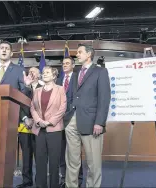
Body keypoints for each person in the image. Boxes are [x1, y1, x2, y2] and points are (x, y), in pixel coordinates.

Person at [64, 44, 111, 188]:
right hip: (72, 121)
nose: (76, 55)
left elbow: (104, 98)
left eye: (79, 52)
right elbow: (72, 96)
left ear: (89, 54)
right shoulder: (76, 72)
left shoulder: (100, 71)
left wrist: (100, 122)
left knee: (93, 163)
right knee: (72, 161)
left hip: (91, 123)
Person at [0, 40, 33, 143]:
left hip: (11, 116)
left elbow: (23, 95)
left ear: (11, 53)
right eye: (2, 48)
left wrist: (27, 86)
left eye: (7, 49)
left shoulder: (18, 70)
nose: (4, 50)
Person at [30, 66, 67, 188]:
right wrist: (38, 120)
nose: (44, 74)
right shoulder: (37, 91)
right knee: (40, 161)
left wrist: (50, 122)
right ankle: (40, 185)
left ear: (54, 75)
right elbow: (32, 108)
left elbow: (63, 107)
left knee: (54, 161)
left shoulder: (60, 89)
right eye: (43, 72)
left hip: (54, 129)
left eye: (47, 72)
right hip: (39, 129)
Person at [56, 57, 83, 188]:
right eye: (63, 64)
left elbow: (79, 97)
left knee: (74, 152)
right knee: (62, 150)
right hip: (59, 119)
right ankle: (64, 179)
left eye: (67, 63)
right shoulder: (58, 80)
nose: (65, 65)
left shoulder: (79, 78)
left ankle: (78, 179)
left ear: (73, 65)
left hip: (73, 118)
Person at [16, 67, 44, 188]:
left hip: (38, 126)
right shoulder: (22, 88)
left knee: (39, 155)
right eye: (30, 72)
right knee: (26, 154)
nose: (31, 73)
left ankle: (40, 181)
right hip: (24, 125)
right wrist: (25, 118)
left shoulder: (44, 88)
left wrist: (35, 119)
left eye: (34, 72)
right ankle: (27, 180)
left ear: (39, 75)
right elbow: (19, 105)